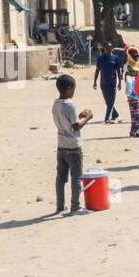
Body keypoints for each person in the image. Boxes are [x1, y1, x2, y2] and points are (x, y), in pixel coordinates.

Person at [52, 74, 93, 215]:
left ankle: (60, 206)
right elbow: (75, 127)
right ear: (69, 88)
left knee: (61, 178)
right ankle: (75, 206)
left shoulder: (55, 104)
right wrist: (88, 117)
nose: (74, 92)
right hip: (73, 147)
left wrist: (79, 116)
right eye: (73, 89)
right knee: (77, 178)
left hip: (61, 145)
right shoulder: (70, 105)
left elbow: (68, 122)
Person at [93, 44, 120, 123]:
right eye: (106, 48)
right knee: (108, 101)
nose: (108, 50)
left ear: (112, 49)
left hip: (112, 83)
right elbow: (97, 70)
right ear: (104, 49)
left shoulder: (115, 58)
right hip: (103, 83)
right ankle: (114, 114)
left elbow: (118, 71)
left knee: (111, 101)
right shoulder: (100, 58)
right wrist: (94, 82)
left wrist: (120, 83)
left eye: (109, 48)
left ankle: (107, 118)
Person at [124, 47, 139, 136]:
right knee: (135, 113)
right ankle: (134, 131)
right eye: (135, 56)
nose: (137, 57)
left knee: (138, 112)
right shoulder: (129, 66)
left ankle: (135, 131)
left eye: (138, 55)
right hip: (132, 92)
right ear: (130, 56)